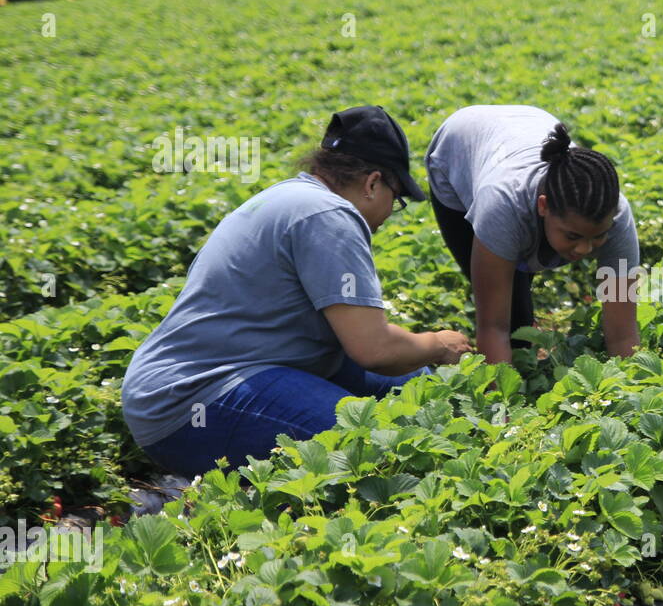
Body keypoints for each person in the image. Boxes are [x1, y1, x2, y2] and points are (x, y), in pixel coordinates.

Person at [122, 106, 473, 481]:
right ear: (373, 184)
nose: (390, 212)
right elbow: (375, 350)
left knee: (415, 389)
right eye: (397, 197)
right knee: (370, 450)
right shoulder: (327, 214)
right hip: (192, 401)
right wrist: (437, 344)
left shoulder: (290, 199)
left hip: (217, 377)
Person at [424, 105, 642, 366]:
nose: (584, 249)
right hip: (458, 146)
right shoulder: (502, 205)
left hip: (523, 128)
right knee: (515, 324)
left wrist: (632, 391)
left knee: (520, 298)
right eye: (573, 236)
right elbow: (493, 328)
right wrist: (502, 401)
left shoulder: (617, 216)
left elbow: (623, 333)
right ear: (543, 206)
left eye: (597, 237)